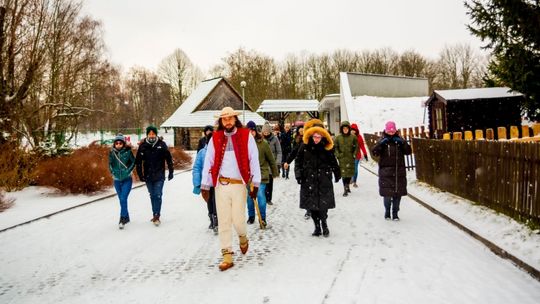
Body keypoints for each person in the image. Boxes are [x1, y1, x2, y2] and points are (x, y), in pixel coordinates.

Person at [201, 107, 261, 271]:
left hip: (239, 185)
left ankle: (243, 236)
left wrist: (255, 183)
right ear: (221, 121)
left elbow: (253, 159)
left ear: (235, 119)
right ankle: (227, 254)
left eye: (230, 118)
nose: (227, 121)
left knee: (238, 220)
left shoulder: (245, 135)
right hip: (221, 186)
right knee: (224, 221)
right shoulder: (215, 137)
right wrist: (205, 185)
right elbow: (209, 161)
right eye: (224, 119)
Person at [295, 119, 341, 237]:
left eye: (319, 136)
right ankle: (317, 227)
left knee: (323, 206)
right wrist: (298, 175)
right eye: (314, 136)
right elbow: (298, 162)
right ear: (311, 135)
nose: (316, 139)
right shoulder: (304, 147)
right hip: (309, 179)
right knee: (312, 206)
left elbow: (333, 161)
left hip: (323, 179)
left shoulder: (327, 147)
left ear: (322, 136)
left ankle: (324, 224)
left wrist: (337, 173)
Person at [371, 121, 412, 221]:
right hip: (386, 173)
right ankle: (387, 211)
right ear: (386, 130)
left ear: (395, 130)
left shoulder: (400, 141)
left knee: (397, 195)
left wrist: (403, 143)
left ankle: (395, 213)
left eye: (393, 131)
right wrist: (380, 144)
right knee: (387, 196)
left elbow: (408, 152)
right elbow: (374, 152)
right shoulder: (382, 140)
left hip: (399, 173)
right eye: (389, 131)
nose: (391, 133)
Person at [135, 125, 174, 226]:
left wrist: (171, 171)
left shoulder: (161, 144)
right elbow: (138, 162)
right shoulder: (143, 146)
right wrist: (140, 174)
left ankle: (157, 215)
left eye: (153, 133)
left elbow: (168, 159)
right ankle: (154, 213)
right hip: (148, 175)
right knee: (152, 195)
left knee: (158, 194)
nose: (151, 135)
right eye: (149, 133)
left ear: (156, 134)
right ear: (147, 134)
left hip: (159, 174)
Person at [245, 121, 279, 227]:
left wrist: (274, 172)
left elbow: (270, 159)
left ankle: (262, 218)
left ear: (255, 131)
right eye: (248, 131)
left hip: (261, 174)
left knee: (260, 196)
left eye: (252, 130)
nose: (251, 133)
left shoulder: (263, 143)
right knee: (250, 197)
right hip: (248, 175)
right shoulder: (243, 144)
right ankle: (251, 216)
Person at [108, 133, 135, 229]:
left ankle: (122, 218)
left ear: (123, 144)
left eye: (120, 143)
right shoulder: (112, 153)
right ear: (114, 144)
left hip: (127, 179)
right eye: (117, 143)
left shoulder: (128, 152)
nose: (118, 144)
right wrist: (112, 172)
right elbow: (110, 164)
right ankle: (127, 217)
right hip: (116, 180)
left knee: (123, 198)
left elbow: (133, 162)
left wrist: (128, 170)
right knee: (121, 200)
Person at [192, 142, 218, 233]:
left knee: (216, 200)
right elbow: (197, 168)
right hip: (206, 181)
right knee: (209, 200)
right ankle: (211, 218)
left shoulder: (219, 150)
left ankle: (216, 220)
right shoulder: (202, 152)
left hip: (217, 181)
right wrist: (197, 181)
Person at [334, 121, 358, 196]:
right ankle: (345, 189)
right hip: (342, 159)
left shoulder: (353, 137)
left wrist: (354, 154)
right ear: (341, 129)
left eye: (346, 128)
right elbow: (335, 147)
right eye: (343, 128)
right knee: (344, 174)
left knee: (349, 174)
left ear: (349, 128)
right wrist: (338, 155)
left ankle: (347, 185)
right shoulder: (338, 137)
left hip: (350, 158)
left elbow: (356, 146)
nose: (345, 130)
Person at [262, 122, 282, 205]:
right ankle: (262, 198)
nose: (266, 134)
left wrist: (277, 163)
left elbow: (279, 151)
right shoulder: (261, 139)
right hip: (263, 164)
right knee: (263, 183)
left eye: (267, 132)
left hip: (271, 164)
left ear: (270, 132)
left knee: (270, 183)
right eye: (265, 132)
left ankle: (269, 198)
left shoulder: (275, 139)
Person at [350, 123, 369, 188]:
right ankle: (351, 178)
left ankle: (354, 181)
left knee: (355, 169)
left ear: (356, 130)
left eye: (354, 130)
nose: (352, 131)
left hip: (357, 156)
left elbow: (362, 146)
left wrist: (365, 154)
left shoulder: (359, 137)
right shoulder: (348, 136)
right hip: (349, 156)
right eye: (351, 129)